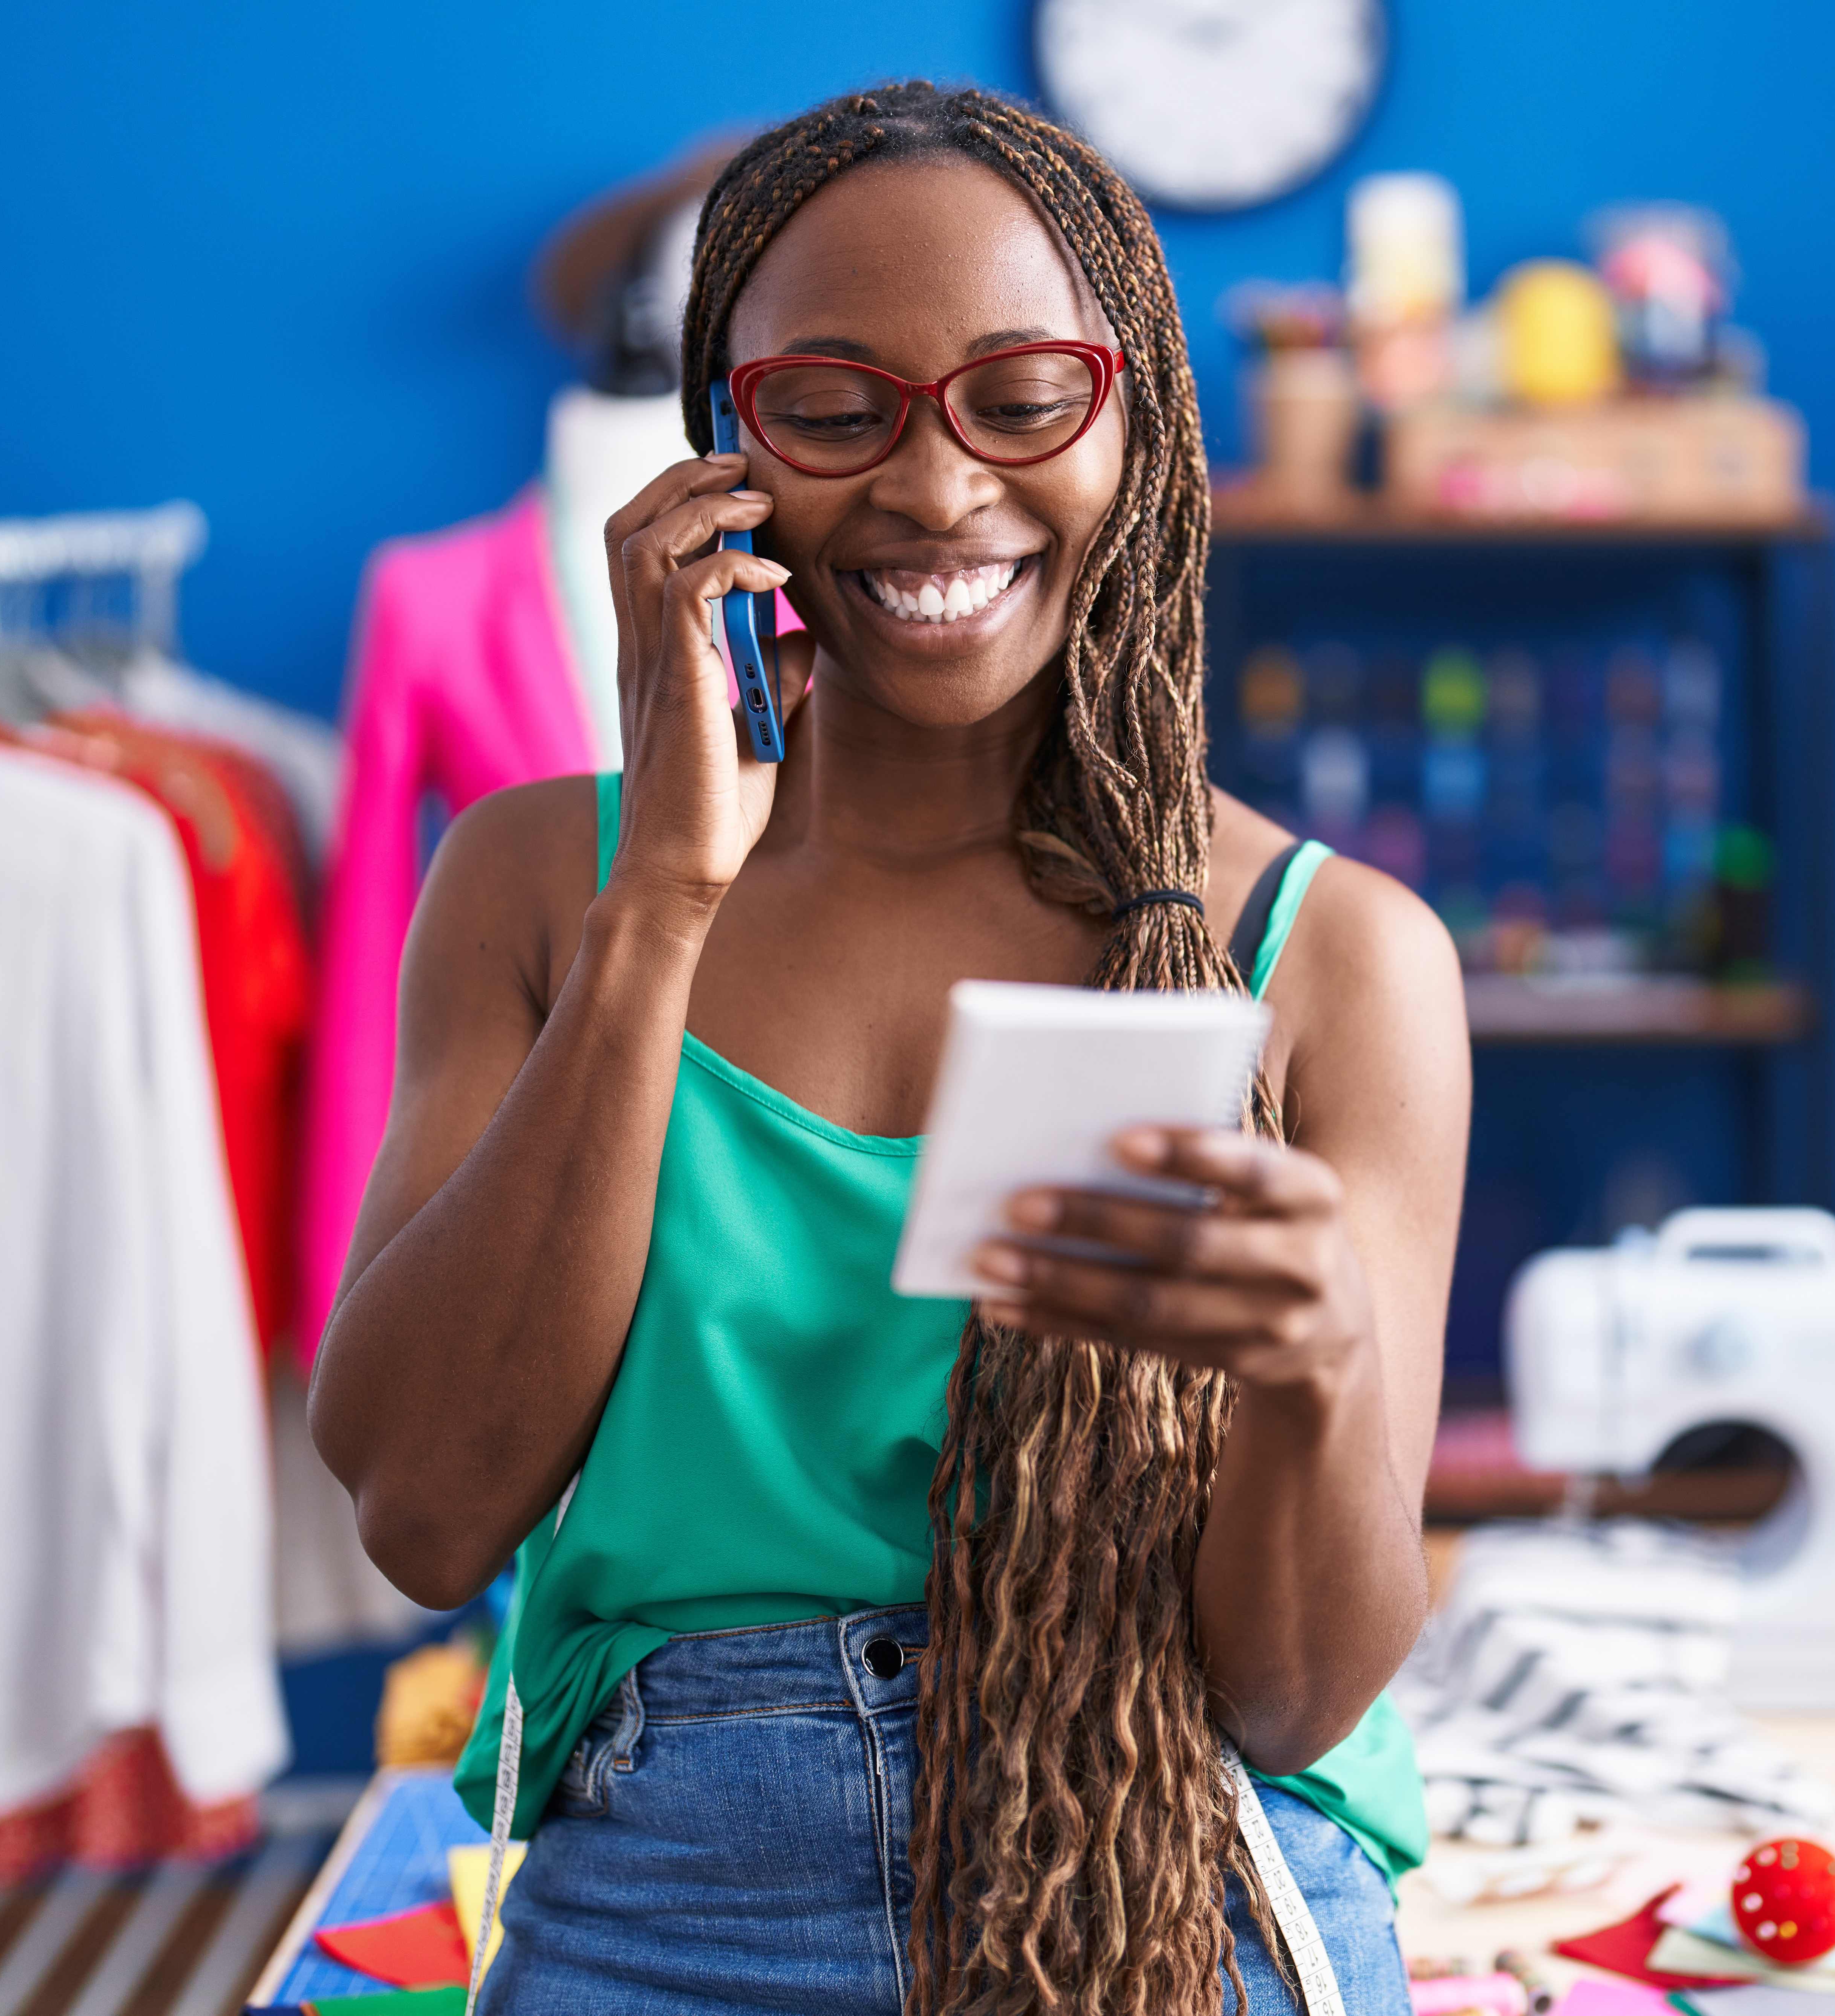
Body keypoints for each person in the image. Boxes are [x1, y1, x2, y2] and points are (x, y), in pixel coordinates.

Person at [308, 80, 1467, 2016]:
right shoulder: (540, 883)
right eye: (835, 410)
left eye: (1021, 398)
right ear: (718, 455)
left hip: (1173, 1867)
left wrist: (1322, 1355)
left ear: (1137, 420)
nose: (937, 490)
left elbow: (1287, 1689)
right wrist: (663, 902)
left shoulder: (1332, 958)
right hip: (677, 1885)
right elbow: (425, 1512)